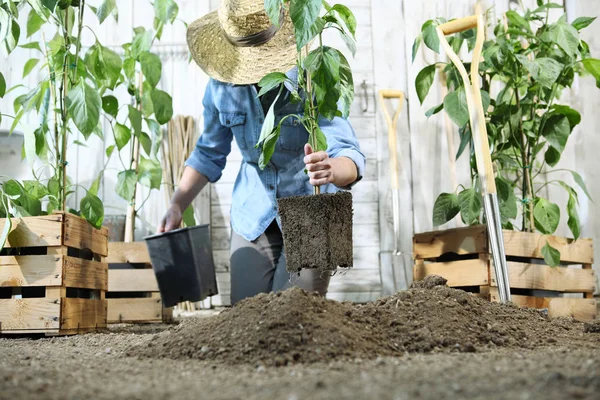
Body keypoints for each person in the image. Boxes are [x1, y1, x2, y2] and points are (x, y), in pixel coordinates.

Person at [159, 0, 365, 305]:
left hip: (314, 206)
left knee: (293, 310)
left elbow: (351, 156)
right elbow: (208, 153)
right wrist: (177, 203)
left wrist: (332, 169)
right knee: (246, 314)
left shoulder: (312, 74)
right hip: (254, 209)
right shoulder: (222, 84)